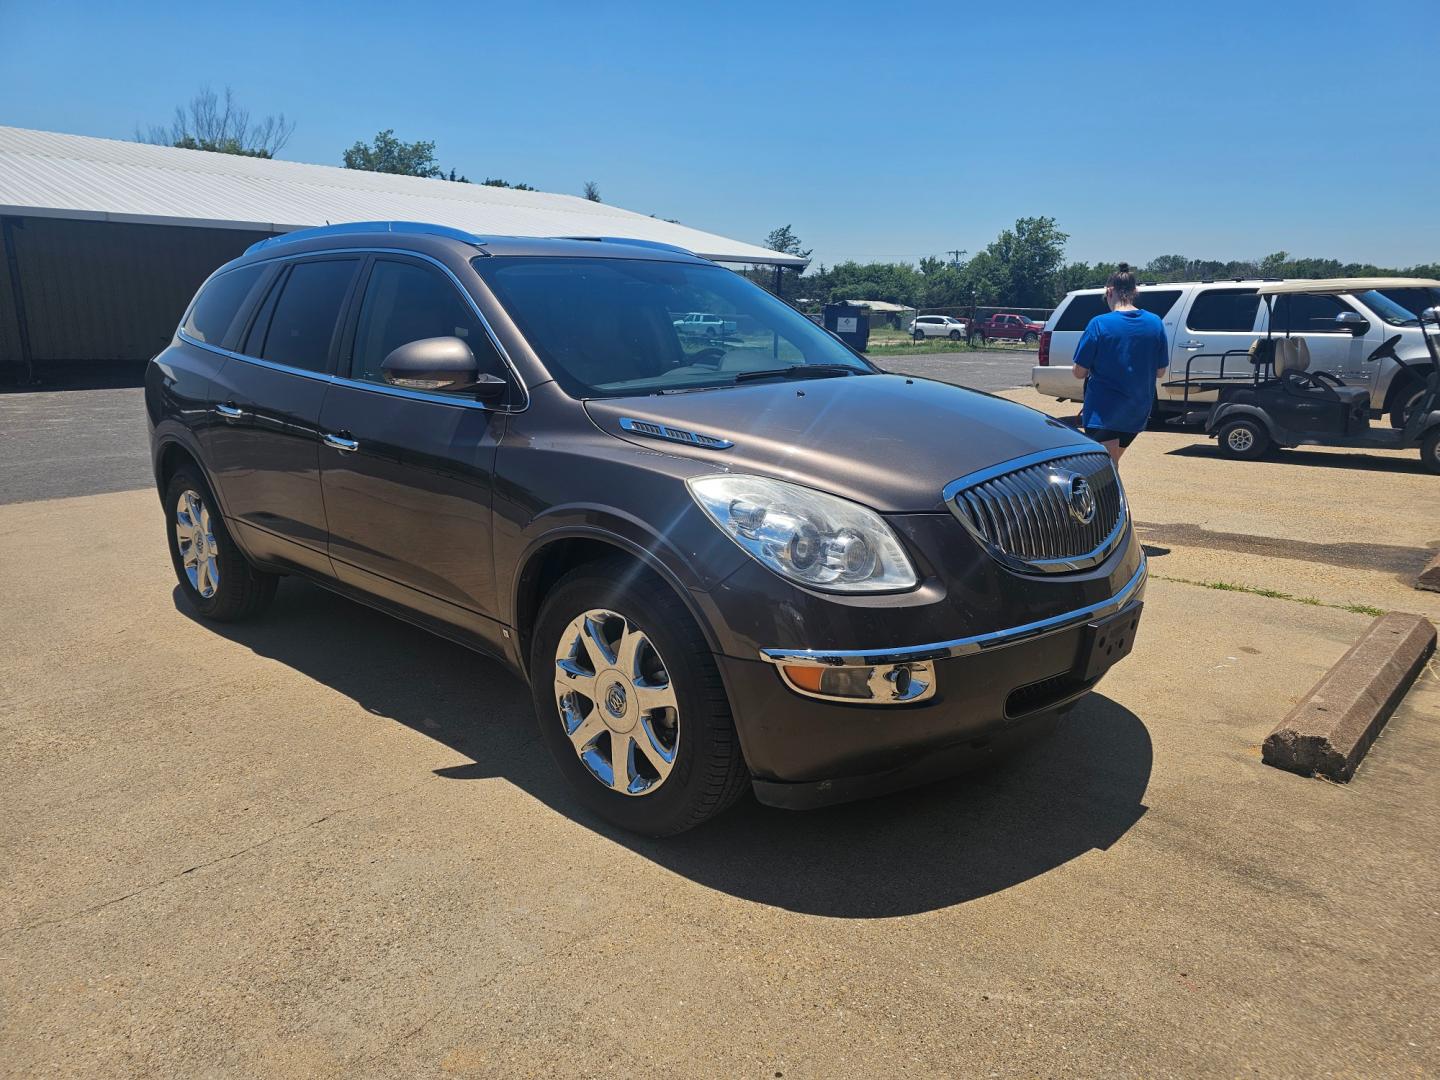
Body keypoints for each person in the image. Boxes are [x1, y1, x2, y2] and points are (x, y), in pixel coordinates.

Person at [1071, 264, 1169, 463]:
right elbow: (1160, 372)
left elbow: (1079, 372)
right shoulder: (1155, 322)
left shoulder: (1099, 324)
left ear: (1109, 291)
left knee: (1106, 469)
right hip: (1136, 411)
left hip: (1103, 411)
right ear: (1135, 291)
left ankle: (1110, 495)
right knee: (1110, 464)